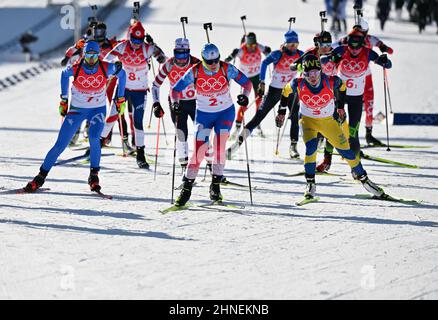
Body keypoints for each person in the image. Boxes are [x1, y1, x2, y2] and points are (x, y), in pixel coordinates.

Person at [276, 54, 384, 200]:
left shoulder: (332, 81)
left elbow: (343, 86)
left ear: (320, 71)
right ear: (304, 73)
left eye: (315, 72)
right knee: (311, 148)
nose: (312, 77)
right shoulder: (298, 83)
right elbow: (285, 91)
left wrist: (340, 107)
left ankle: (365, 181)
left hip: (328, 121)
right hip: (308, 121)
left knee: (347, 153)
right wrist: (281, 112)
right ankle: (310, 184)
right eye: (308, 74)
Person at [23, 41, 126, 193]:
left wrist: (121, 98)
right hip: (77, 110)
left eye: (95, 56)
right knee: (60, 144)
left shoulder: (106, 67)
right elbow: (64, 74)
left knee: (94, 138)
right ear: (84, 55)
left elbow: (122, 74)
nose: (92, 60)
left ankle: (94, 176)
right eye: (89, 56)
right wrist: (64, 99)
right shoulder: (76, 68)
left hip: (97, 110)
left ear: (99, 55)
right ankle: (40, 177)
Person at [170, 43, 252, 207]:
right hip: (204, 116)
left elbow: (247, 83)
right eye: (210, 61)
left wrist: (244, 96)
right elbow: (175, 90)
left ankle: (215, 186)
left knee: (220, 147)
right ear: (203, 60)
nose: (214, 65)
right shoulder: (194, 71)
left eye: (216, 60)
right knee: (199, 152)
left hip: (225, 113)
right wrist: (175, 103)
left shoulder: (226, 68)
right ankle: (186, 190)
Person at [317, 31, 392, 173]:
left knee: (353, 132)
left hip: (356, 98)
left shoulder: (368, 53)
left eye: (357, 47)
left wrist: (384, 61)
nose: (354, 50)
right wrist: (331, 57)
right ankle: (327, 161)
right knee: (333, 129)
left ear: (362, 44)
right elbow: (322, 60)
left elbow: (388, 65)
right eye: (351, 46)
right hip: (339, 94)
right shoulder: (342, 49)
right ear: (348, 43)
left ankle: (355, 167)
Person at [227, 30, 303, 159]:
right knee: (258, 117)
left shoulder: (301, 55)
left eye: (296, 44)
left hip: (290, 91)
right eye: (291, 44)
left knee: (294, 116)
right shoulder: (278, 54)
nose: (293, 47)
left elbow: (307, 65)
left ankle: (293, 147)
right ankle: (235, 146)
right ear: (285, 43)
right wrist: (262, 81)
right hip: (275, 90)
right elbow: (264, 63)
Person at [102, 21, 166, 169]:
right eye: (134, 39)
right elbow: (106, 61)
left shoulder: (147, 48)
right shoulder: (123, 46)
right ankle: (98, 144)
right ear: (130, 37)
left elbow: (163, 59)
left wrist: (155, 46)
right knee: (112, 116)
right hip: (123, 89)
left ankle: (140, 155)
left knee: (138, 122)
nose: (137, 43)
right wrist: (114, 66)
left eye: (140, 40)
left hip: (140, 91)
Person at [331, 19, 394, 147]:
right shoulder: (347, 40)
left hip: (364, 74)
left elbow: (390, 51)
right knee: (337, 108)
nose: (361, 36)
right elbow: (330, 48)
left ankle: (368, 134)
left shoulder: (370, 40)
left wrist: (384, 49)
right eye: (358, 32)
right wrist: (339, 45)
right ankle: (330, 138)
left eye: (363, 32)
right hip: (346, 75)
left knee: (369, 102)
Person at [151, 38, 200, 170]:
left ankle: (211, 165)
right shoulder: (170, 64)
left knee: (202, 132)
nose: (181, 58)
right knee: (181, 133)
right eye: (177, 54)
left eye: (184, 54)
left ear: (189, 52)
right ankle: (185, 168)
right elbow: (155, 85)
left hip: (195, 102)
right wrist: (156, 104)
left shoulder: (196, 63)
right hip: (177, 103)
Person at [223, 32, 271, 139]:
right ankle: (237, 126)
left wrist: (268, 51)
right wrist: (231, 55)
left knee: (259, 101)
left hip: (257, 78)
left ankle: (258, 125)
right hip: (246, 79)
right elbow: (227, 60)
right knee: (244, 102)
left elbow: (269, 54)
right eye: (250, 45)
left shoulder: (258, 46)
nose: (252, 48)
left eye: (253, 45)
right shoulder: (242, 50)